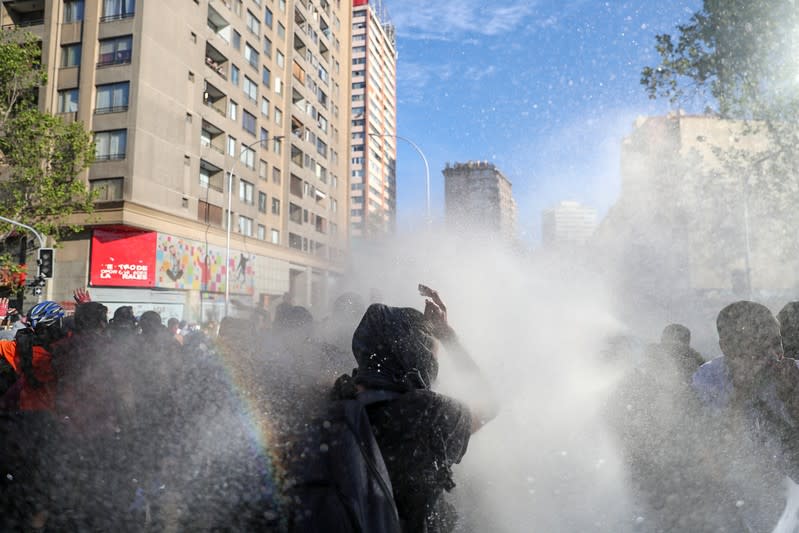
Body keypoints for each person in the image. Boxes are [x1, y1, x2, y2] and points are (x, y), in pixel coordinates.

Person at [334, 285, 498, 532]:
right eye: (429, 347)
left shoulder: (338, 402)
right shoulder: (429, 412)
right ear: (416, 354)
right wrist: (449, 338)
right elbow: (489, 405)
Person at [693, 301, 799, 531]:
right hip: (743, 511)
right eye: (757, 348)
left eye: (775, 342)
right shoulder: (709, 381)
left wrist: (792, 401)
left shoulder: (795, 375)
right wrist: (741, 395)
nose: (774, 356)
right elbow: (715, 462)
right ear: (727, 348)